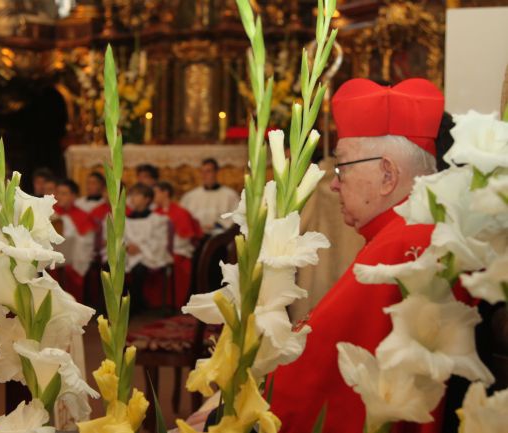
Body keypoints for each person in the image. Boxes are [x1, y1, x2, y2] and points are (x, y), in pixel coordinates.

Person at [270, 78, 449, 433]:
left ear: (387, 175)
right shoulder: (418, 228)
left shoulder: (398, 246)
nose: (334, 183)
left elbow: (309, 382)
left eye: (342, 166)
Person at [104, 183, 171, 311]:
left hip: (148, 254)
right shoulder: (124, 219)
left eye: (137, 195)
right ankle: (113, 305)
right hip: (128, 252)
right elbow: (119, 237)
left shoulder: (157, 219)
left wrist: (140, 248)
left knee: (139, 269)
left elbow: (159, 241)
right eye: (132, 195)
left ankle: (132, 305)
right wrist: (126, 247)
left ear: (147, 199)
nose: (132, 198)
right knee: (110, 265)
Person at [153, 181, 203, 308]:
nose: (153, 196)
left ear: (165, 193)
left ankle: (172, 302)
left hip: (179, 251)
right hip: (157, 250)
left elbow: (184, 240)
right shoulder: (154, 212)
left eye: (156, 193)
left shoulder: (181, 212)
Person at [53, 179, 96, 300]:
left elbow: (87, 242)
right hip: (53, 258)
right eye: (58, 193)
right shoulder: (50, 212)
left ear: (74, 196)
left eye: (64, 193)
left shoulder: (82, 215)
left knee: (69, 272)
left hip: (73, 260)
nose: (59, 197)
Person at [180, 158, 239, 234]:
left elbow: (236, 216)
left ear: (216, 172)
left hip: (220, 236)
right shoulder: (190, 196)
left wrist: (217, 225)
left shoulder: (230, 195)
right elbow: (182, 217)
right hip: (195, 236)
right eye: (202, 171)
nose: (204, 175)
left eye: (208, 171)